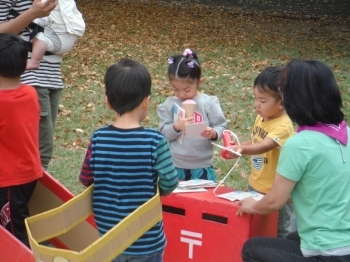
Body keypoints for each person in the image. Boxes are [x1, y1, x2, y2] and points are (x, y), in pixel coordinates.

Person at [237, 59, 350, 261]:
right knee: (291, 237)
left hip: (326, 252)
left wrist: (250, 205)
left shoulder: (300, 144)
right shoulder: (346, 133)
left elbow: (273, 202)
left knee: (251, 249)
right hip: (345, 242)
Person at [79, 58, 179, 262]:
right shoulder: (155, 141)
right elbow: (169, 183)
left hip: (108, 238)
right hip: (146, 240)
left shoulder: (98, 138)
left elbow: (85, 178)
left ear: (107, 102)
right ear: (146, 101)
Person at [228, 66, 295, 238]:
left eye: (263, 101)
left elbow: (265, 145)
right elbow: (255, 140)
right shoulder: (262, 117)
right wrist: (238, 147)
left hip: (274, 192)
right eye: (255, 98)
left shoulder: (283, 125)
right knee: (255, 229)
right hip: (255, 185)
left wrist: (242, 150)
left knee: (277, 232)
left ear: (281, 103)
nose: (257, 104)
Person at [0, 0, 64, 169]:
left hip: (51, 75)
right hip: (26, 76)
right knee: (40, 150)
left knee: (42, 147)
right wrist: (33, 13)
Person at [157, 48, 227, 182]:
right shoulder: (169, 105)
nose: (182, 94)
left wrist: (213, 133)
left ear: (199, 82)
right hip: (176, 164)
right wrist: (176, 126)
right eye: (175, 89)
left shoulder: (208, 103)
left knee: (202, 199)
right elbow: (163, 134)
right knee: (176, 201)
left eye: (187, 90)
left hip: (202, 165)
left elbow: (221, 126)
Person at [0, 33, 42, 248]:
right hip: (29, 172)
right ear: (25, 64)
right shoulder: (30, 93)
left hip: (9, 180)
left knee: (15, 237)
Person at [26, 0, 85, 70]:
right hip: (72, 38)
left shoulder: (46, 2)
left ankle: (34, 61)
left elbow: (40, 19)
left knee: (40, 38)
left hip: (58, 40)